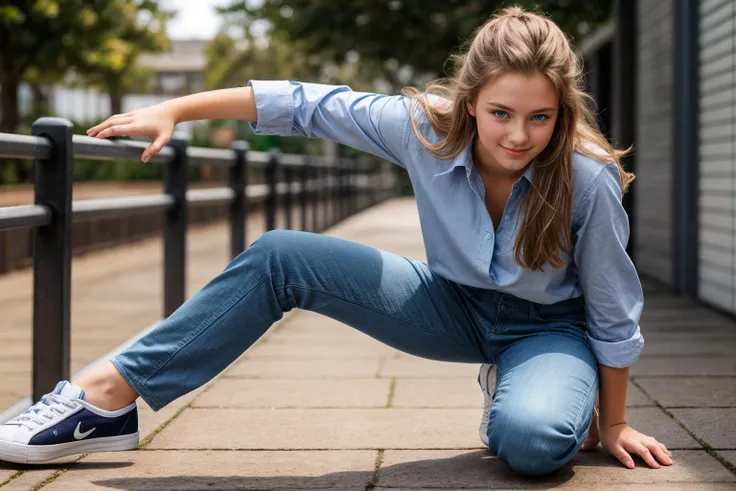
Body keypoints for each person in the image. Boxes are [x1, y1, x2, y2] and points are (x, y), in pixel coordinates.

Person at [0, 6, 673, 476]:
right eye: (500, 113)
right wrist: (177, 108)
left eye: (539, 117)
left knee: (531, 444)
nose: (518, 136)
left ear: (562, 112)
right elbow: (304, 102)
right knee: (281, 254)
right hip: (453, 304)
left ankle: (532, 390)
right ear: (470, 101)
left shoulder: (586, 178)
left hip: (548, 327)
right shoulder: (423, 128)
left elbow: (615, 312)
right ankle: (103, 398)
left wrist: (612, 424)